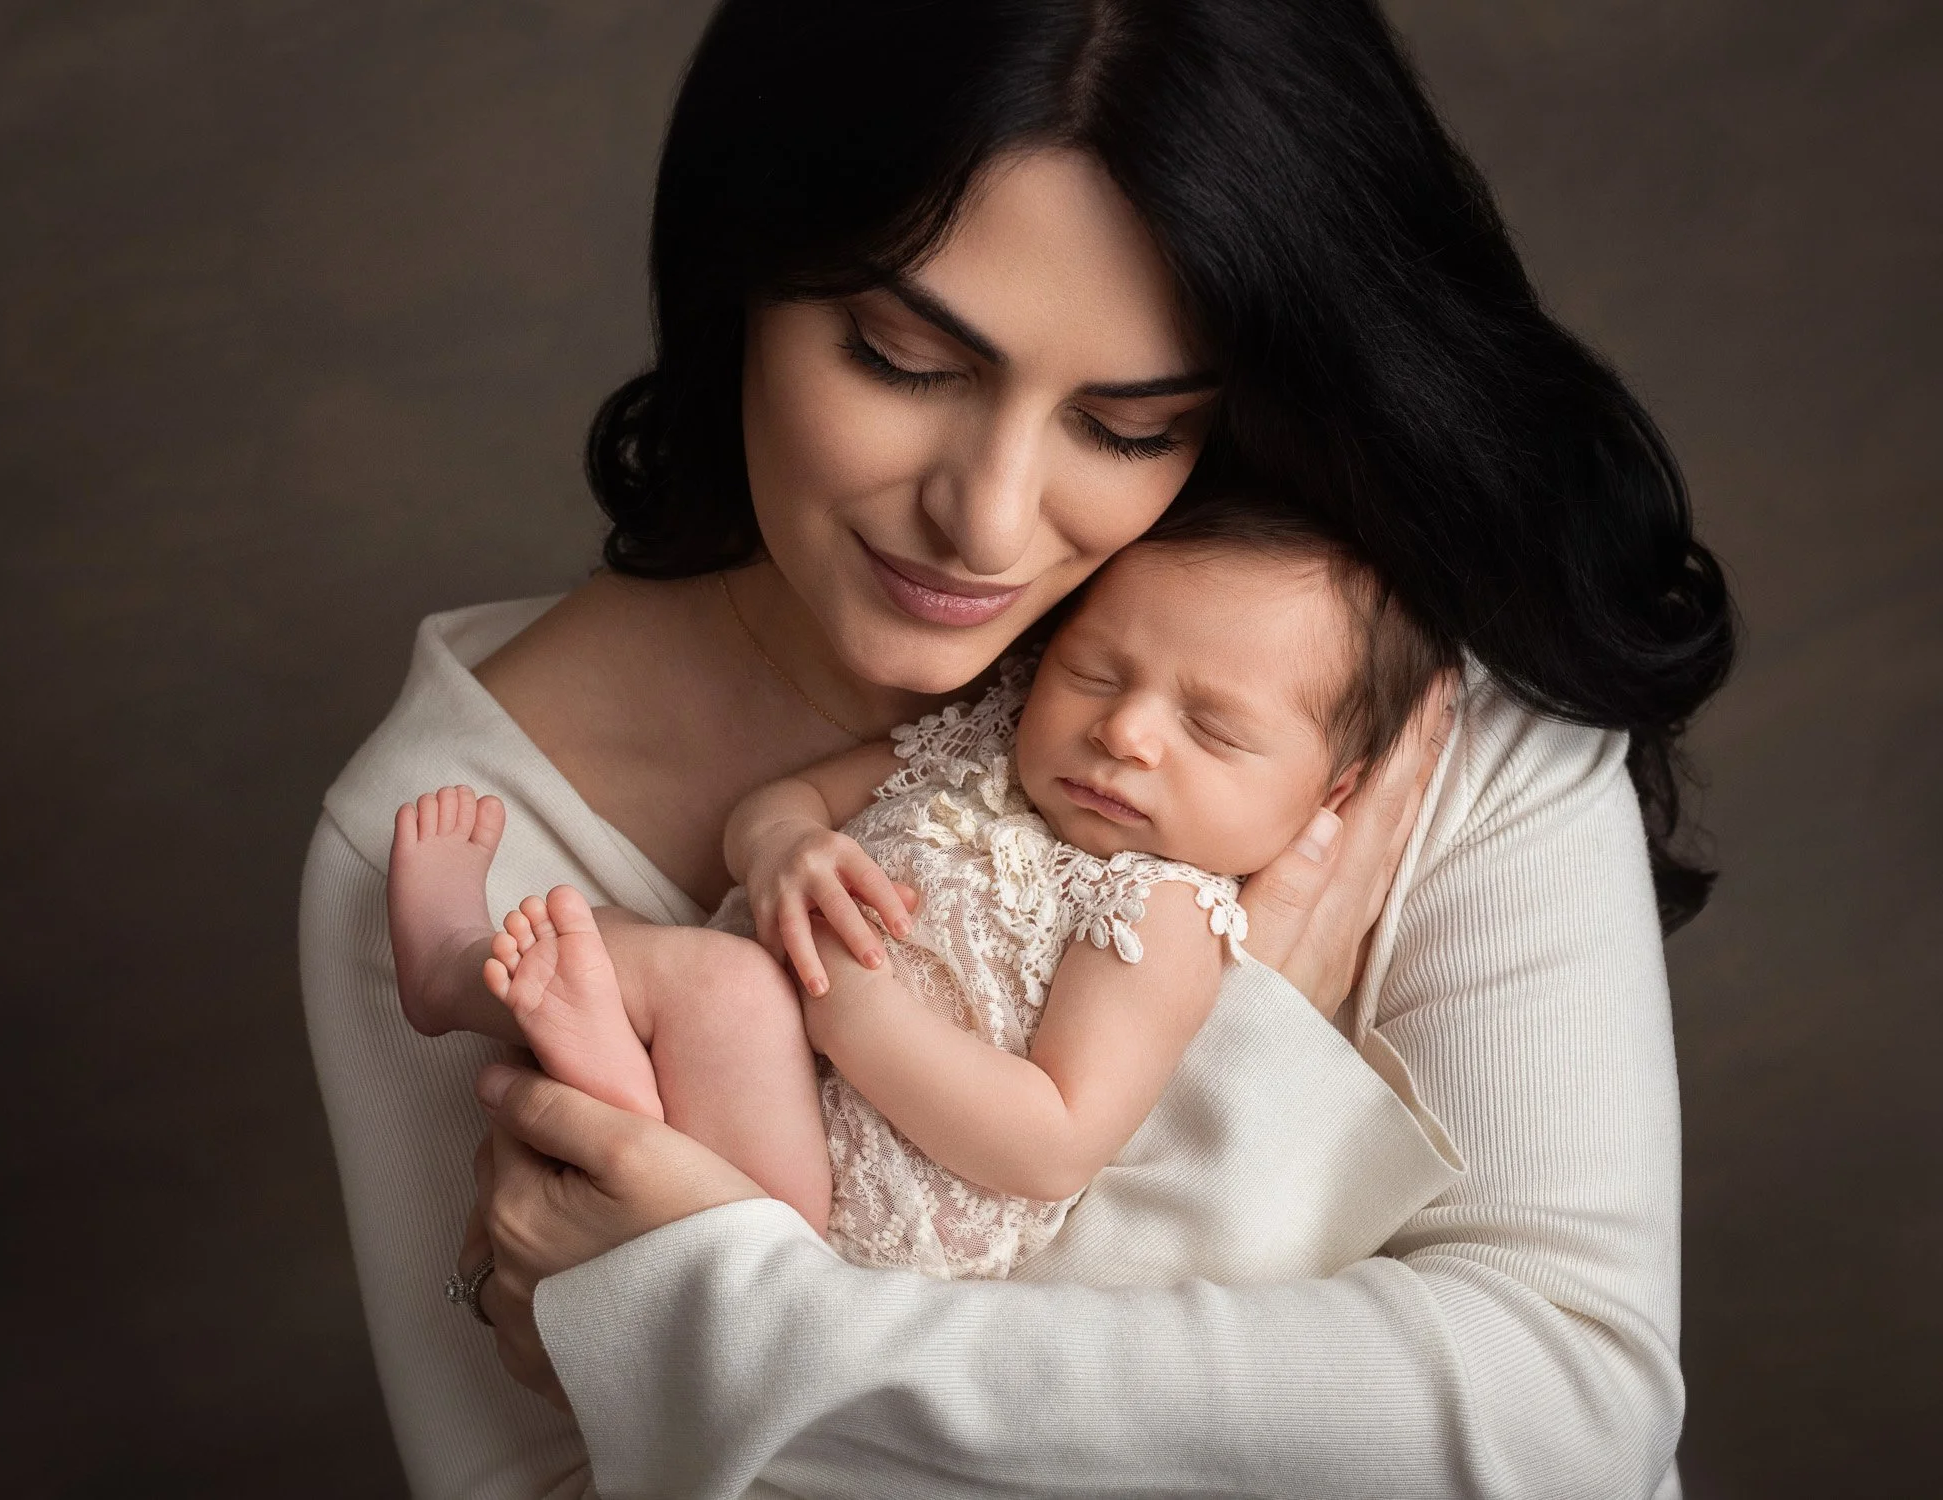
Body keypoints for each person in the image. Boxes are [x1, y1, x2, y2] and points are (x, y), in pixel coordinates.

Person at [299, 2, 1734, 1496]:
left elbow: (1572, 1427)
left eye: (1127, 427)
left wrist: (716, 1335)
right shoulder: (443, 830)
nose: (986, 522)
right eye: (902, 358)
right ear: (744, 273)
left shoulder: (1407, 686)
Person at [384, 511, 1456, 1280]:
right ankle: (587, 1061)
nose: (1124, 732)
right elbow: (784, 797)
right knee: (612, 939)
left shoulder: (1156, 913)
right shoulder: (980, 743)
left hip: (851, 1207)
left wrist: (849, 1013)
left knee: (713, 982)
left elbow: (1052, 1141)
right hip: (764, 1083)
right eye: (1092, 673)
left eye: (1211, 730)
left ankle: (452, 971)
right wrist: (784, 847)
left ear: (1333, 792)